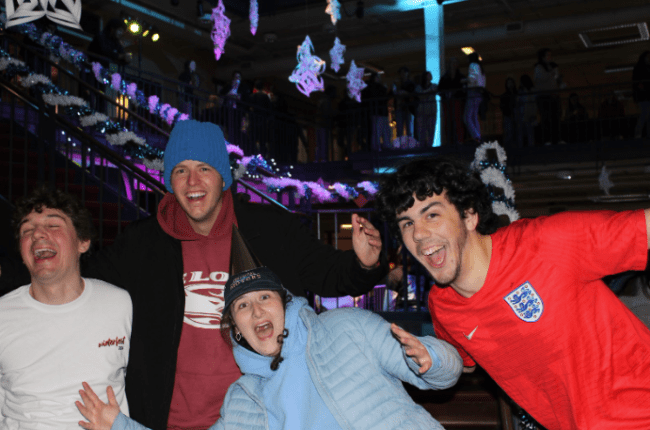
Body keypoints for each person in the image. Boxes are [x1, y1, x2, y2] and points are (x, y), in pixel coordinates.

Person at [0, 120, 386, 430]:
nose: (193, 181)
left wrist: (364, 263)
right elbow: (72, 282)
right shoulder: (141, 243)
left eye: (205, 169)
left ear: (224, 178)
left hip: (264, 414)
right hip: (169, 419)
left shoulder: (270, 230)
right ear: (170, 181)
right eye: (181, 171)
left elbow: (331, 276)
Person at [375, 156, 650, 430]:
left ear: (469, 216)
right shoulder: (443, 304)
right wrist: (433, 359)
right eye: (407, 223)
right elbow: (465, 362)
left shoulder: (546, 243)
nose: (419, 234)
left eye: (431, 215)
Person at [75, 260, 463, 430]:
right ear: (237, 328)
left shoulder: (347, 328)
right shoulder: (243, 400)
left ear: (285, 303)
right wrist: (120, 427)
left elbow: (444, 375)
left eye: (265, 298)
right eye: (242, 306)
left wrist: (432, 359)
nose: (256, 309)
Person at [0, 187, 132, 429]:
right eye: (27, 230)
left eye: (53, 226)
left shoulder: (120, 304)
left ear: (83, 242)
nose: (38, 234)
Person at [534, 48, 561, 145]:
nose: (550, 57)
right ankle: (547, 140)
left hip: (553, 96)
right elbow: (542, 78)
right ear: (543, 57)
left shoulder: (552, 66)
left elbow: (556, 78)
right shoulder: (539, 67)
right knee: (546, 119)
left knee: (555, 118)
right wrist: (552, 72)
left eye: (550, 55)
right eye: (548, 55)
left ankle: (556, 139)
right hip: (544, 97)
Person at [438, 57, 465, 146]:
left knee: (458, 121)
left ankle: (460, 141)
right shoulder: (444, 77)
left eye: (454, 63)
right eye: (451, 63)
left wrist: (456, 93)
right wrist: (445, 95)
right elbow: (439, 89)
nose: (452, 65)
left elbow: (463, 89)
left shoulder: (460, 76)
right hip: (447, 102)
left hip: (457, 101)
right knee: (447, 121)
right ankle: (449, 141)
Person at [463, 53, 486, 144]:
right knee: (474, 116)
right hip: (479, 93)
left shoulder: (473, 65)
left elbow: (472, 79)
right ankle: (478, 136)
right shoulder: (480, 67)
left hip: (473, 92)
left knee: (467, 117)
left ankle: (476, 136)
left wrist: (464, 81)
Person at [415, 71, 438, 148]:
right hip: (422, 111)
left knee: (431, 130)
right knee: (421, 130)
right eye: (429, 74)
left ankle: (429, 146)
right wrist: (429, 91)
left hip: (431, 111)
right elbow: (421, 96)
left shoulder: (434, 86)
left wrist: (426, 92)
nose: (430, 76)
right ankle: (422, 146)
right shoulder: (419, 87)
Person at [392, 66, 416, 140]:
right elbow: (393, 93)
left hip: (408, 108)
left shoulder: (411, 83)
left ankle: (410, 145)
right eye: (401, 73)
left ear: (407, 73)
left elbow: (413, 94)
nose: (402, 74)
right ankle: (401, 145)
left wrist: (405, 93)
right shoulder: (397, 83)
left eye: (403, 72)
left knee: (409, 129)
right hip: (400, 108)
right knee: (400, 129)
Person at [633, 51, 650, 139]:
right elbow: (636, 82)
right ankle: (638, 133)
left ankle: (640, 133)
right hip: (643, 96)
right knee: (645, 114)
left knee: (646, 114)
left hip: (645, 95)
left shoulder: (646, 67)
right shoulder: (640, 67)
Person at [516, 74, 536, 147]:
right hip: (522, 113)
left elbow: (533, 101)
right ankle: (521, 148)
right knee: (521, 132)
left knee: (530, 132)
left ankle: (531, 147)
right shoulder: (520, 91)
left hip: (529, 113)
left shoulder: (531, 90)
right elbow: (518, 101)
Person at [499, 77, 517, 147]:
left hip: (516, 115)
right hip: (508, 115)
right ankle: (508, 148)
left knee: (516, 132)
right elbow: (502, 106)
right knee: (509, 132)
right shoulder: (505, 95)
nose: (510, 84)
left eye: (511, 82)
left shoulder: (516, 94)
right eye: (508, 83)